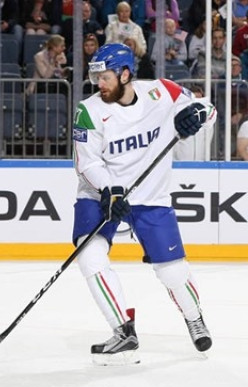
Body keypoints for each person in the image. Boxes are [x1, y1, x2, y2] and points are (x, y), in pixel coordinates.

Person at [71, 43, 216, 365]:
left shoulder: (161, 91)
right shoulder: (89, 110)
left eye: (105, 77)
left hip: (151, 197)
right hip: (101, 195)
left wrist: (199, 116)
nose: (100, 84)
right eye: (96, 78)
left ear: (125, 74)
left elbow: (208, 109)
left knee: (172, 271)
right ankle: (123, 330)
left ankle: (193, 317)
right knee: (90, 255)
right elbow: (87, 162)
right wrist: (111, 190)